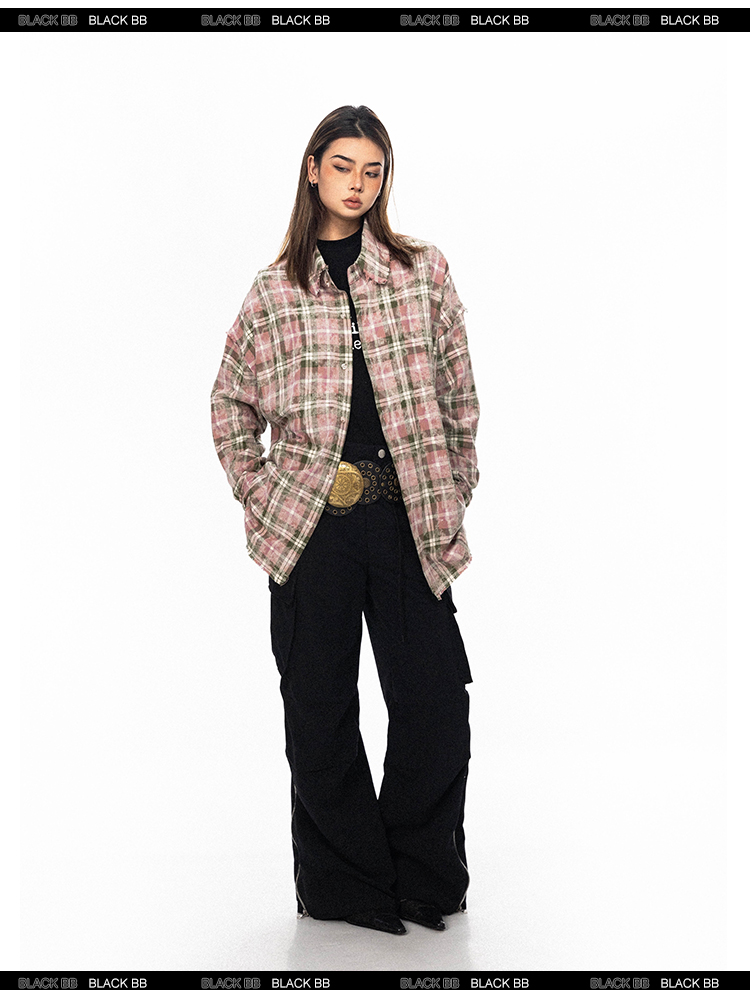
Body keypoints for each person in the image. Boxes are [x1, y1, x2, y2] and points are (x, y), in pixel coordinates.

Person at [210, 106, 480, 936]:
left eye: (373, 170)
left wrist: (455, 484)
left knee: (435, 704)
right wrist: (262, 494)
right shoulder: (275, 292)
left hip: (408, 518)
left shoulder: (421, 272)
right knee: (320, 711)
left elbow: (459, 395)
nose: (358, 184)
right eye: (343, 166)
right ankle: (345, 888)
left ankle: (421, 879)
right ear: (312, 169)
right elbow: (229, 404)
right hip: (311, 528)